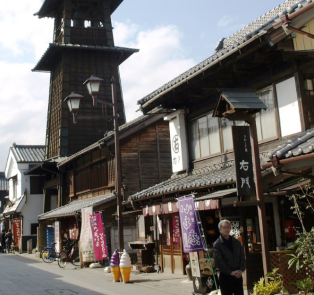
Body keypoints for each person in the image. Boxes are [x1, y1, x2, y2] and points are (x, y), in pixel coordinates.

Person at [213, 220, 246, 295]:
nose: (226, 229)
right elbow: (219, 262)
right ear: (220, 230)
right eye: (224, 227)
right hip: (226, 276)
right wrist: (230, 272)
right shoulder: (217, 244)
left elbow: (242, 257)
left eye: (228, 227)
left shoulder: (236, 242)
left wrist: (241, 270)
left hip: (237, 276)